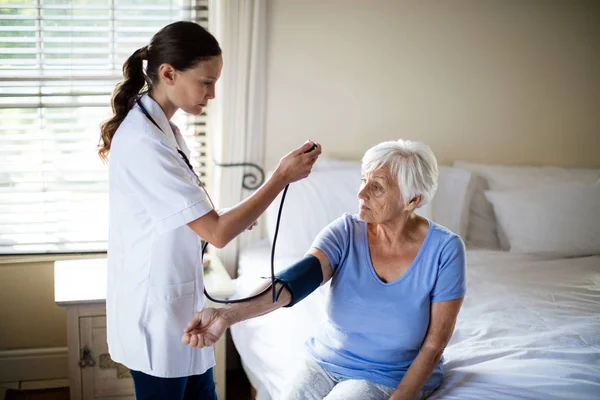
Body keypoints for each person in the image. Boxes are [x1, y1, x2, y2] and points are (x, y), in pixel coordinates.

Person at [98, 21, 321, 400]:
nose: (213, 93)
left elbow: (191, 215)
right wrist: (280, 176)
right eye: (206, 81)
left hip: (182, 309)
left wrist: (243, 216)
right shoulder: (144, 142)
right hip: (156, 316)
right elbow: (216, 232)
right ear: (168, 74)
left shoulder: (165, 131)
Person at [183, 139, 466, 400]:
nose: (361, 193)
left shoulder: (445, 250)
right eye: (363, 180)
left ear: (412, 200)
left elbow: (434, 345)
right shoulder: (346, 231)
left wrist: (402, 397)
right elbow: (293, 283)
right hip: (324, 360)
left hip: (388, 375)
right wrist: (224, 315)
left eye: (376, 187)